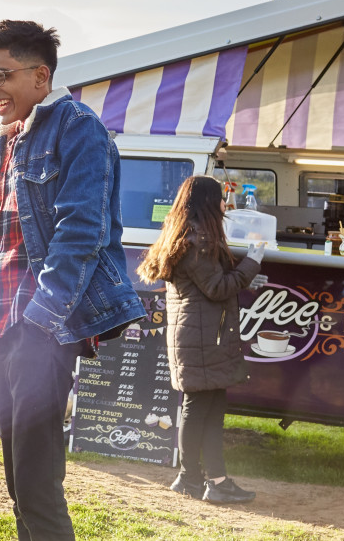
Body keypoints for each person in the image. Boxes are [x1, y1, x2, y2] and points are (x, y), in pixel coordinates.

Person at [0, 20, 147, 540]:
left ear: (40, 75)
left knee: (35, 482)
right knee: (20, 479)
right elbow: (2, 239)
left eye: (1, 76)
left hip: (35, 325)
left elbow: (83, 231)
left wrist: (41, 323)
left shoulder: (76, 126)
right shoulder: (8, 138)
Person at [135, 175, 267, 505]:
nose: (226, 205)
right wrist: (253, 260)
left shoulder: (185, 236)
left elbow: (213, 282)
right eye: (221, 198)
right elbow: (217, 288)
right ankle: (195, 478)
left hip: (196, 335)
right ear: (208, 202)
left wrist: (247, 274)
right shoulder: (200, 241)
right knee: (200, 409)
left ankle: (203, 479)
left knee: (207, 407)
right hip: (204, 338)